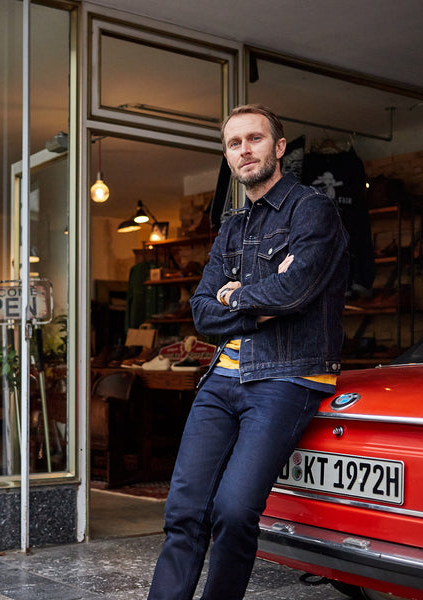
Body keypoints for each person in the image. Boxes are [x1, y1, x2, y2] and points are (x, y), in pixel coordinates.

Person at [147, 104, 349, 600]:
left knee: (234, 512)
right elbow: (201, 312)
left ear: (279, 148)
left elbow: (297, 292)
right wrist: (259, 296)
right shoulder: (233, 225)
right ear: (228, 156)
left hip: (287, 378)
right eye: (234, 144)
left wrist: (236, 294)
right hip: (222, 380)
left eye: (255, 139)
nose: (245, 150)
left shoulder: (312, 210)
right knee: (184, 511)